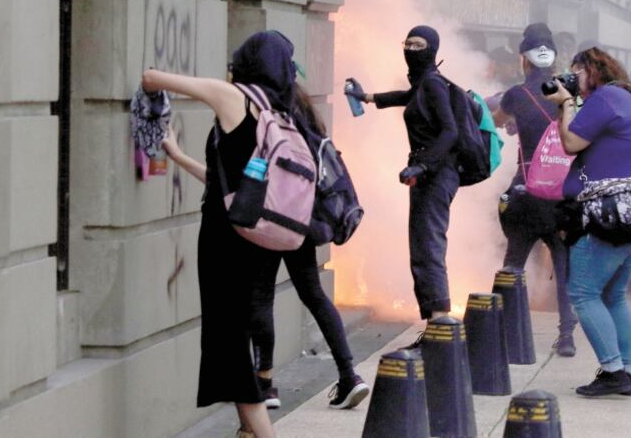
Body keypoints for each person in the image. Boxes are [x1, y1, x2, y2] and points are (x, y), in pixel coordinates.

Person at [161, 81, 370, 412]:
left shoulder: (253, 120)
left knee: (261, 296)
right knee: (314, 295)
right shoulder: (302, 116)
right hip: (301, 221)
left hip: (269, 221)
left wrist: (178, 156)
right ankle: (350, 374)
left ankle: (266, 383)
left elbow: (225, 186)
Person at [142, 30, 309, 438]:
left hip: (225, 244)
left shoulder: (239, 99)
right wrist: (179, 157)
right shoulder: (280, 112)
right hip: (256, 238)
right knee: (231, 336)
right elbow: (230, 189)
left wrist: (152, 78)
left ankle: (261, 432)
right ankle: (247, 431)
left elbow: (168, 81)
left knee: (228, 343)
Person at [543, 47, 631, 397]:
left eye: (576, 70)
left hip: (611, 215)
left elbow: (572, 141)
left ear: (593, 70)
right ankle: (627, 371)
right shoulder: (623, 97)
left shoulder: (605, 98)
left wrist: (564, 104)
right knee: (613, 294)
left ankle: (613, 371)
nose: (572, 76)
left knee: (583, 292)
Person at [345, 25, 460, 324]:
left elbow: (450, 132)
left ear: (432, 49)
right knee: (422, 246)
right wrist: (367, 96)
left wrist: (424, 165)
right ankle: (435, 321)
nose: (410, 50)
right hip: (426, 173)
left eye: (418, 45)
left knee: (428, 246)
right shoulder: (425, 83)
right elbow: (406, 96)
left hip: (434, 174)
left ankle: (439, 324)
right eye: (407, 43)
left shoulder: (433, 84)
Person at [492, 23, 578, 357]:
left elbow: (497, 120)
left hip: (527, 189)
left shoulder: (516, 94)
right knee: (563, 261)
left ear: (524, 59)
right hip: (563, 194)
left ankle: (499, 330)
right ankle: (566, 335)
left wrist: (512, 121)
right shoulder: (569, 94)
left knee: (513, 261)